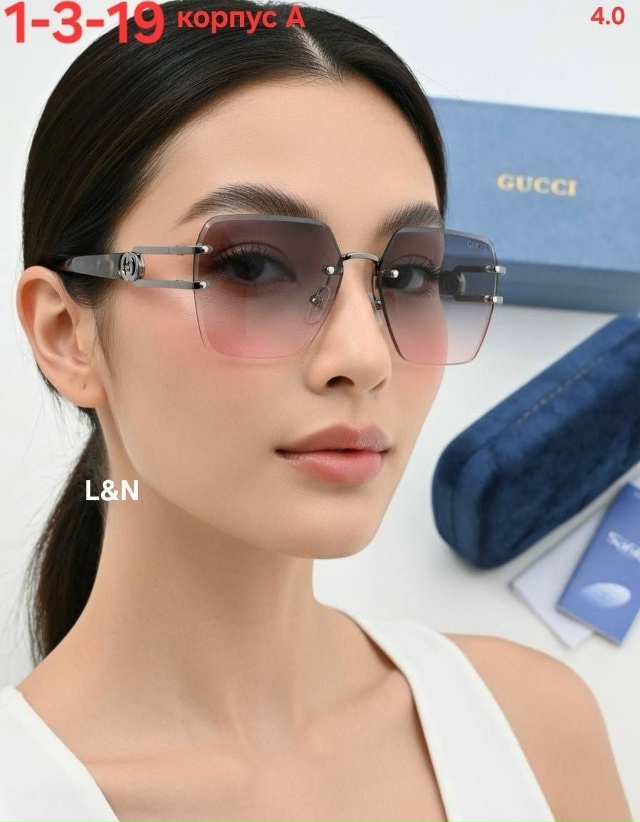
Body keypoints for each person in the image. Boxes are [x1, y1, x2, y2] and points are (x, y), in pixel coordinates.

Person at [1, 2, 632, 820]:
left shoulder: (535, 726)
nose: (365, 357)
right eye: (254, 268)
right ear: (67, 335)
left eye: (407, 277)